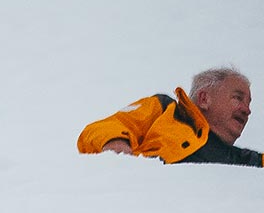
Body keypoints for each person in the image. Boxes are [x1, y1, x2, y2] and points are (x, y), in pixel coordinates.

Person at [79, 67, 259, 167]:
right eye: (237, 98)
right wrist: (118, 147)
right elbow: (101, 128)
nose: (247, 110)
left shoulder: (244, 161)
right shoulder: (165, 110)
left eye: (249, 103)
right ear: (204, 99)